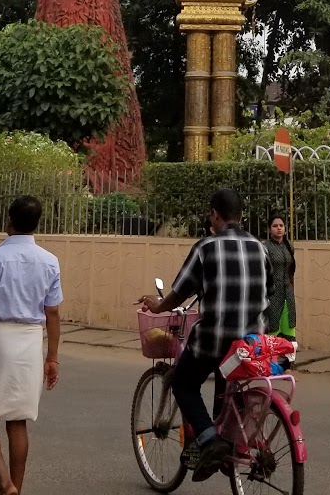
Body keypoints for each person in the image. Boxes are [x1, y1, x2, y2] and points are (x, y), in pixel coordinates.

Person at [140, 188, 268, 481]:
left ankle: (211, 439)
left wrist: (158, 305)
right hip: (251, 342)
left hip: (215, 338)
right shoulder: (260, 248)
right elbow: (269, 290)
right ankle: (226, 443)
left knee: (182, 382)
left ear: (214, 215)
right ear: (241, 215)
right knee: (228, 384)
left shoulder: (206, 248)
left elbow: (179, 293)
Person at [0, 195, 63, 495]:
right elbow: (52, 313)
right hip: (31, 342)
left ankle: (5, 484)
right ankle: (17, 487)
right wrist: (52, 358)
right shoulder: (49, 262)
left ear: (9, 221)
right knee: (18, 421)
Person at [263, 214, 297, 344]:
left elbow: (291, 271)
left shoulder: (288, 246)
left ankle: (289, 360)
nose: (279, 228)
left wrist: (291, 290)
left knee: (289, 326)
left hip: (288, 294)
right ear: (269, 229)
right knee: (272, 328)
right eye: (275, 226)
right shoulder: (265, 247)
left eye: (281, 226)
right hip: (272, 295)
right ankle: (272, 361)